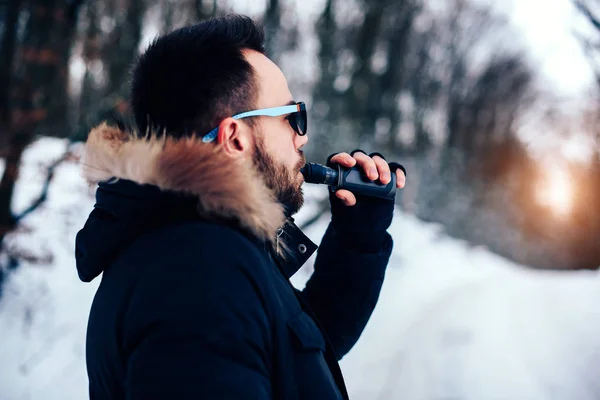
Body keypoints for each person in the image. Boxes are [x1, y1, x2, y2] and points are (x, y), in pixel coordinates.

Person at [75, 14, 406, 400]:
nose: (303, 137)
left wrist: (358, 239)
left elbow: (292, 356)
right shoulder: (198, 271)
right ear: (234, 138)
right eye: (291, 117)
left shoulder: (196, 246)